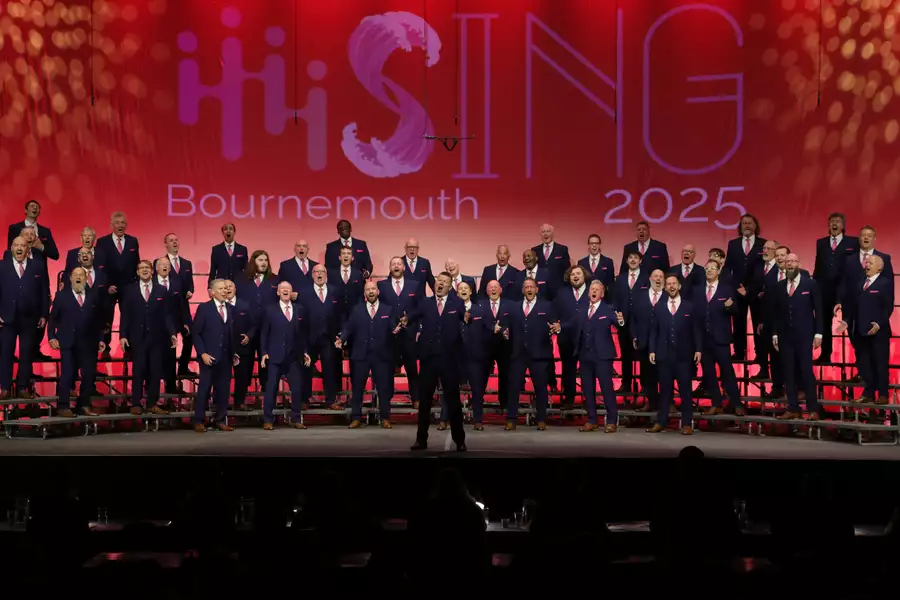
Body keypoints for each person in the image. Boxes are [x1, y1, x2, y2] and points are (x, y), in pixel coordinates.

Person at [410, 272, 467, 451]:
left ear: (450, 287)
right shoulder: (425, 303)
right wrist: (403, 320)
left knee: (454, 402)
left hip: (449, 360)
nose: (440, 284)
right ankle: (421, 439)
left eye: (445, 282)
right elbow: (411, 316)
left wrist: (468, 318)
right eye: (438, 281)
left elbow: (466, 317)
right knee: (425, 402)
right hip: (429, 360)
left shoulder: (456, 303)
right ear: (434, 284)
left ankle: (460, 440)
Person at [336, 281, 401, 427]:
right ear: (364, 293)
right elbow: (349, 328)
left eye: (373, 289)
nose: (370, 291)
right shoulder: (356, 310)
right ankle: (356, 417)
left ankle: (384, 418)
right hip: (360, 355)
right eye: (367, 289)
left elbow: (393, 327)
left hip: (381, 355)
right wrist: (341, 339)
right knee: (357, 388)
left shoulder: (388, 310)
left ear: (378, 291)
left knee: (384, 388)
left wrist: (396, 330)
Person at [119, 260, 177, 415]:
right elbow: (126, 315)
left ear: (152, 271)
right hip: (137, 338)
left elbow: (167, 315)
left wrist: (172, 333)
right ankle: (136, 403)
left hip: (158, 338)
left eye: (147, 268)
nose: (144, 270)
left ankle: (152, 403)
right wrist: (123, 335)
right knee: (138, 370)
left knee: (155, 371)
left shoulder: (161, 290)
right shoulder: (129, 290)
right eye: (141, 268)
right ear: (137, 272)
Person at [647, 276, 702, 435]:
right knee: (664, 391)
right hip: (664, 355)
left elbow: (696, 330)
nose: (671, 286)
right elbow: (654, 331)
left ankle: (686, 423)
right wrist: (652, 350)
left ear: (679, 286)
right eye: (668, 284)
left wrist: (698, 349)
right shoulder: (659, 307)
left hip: (684, 356)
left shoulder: (689, 306)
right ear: (665, 287)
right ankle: (661, 422)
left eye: (674, 284)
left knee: (685, 391)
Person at [771, 254, 823, 420]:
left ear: (798, 263)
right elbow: (775, 313)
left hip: (805, 335)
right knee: (788, 372)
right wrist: (774, 334)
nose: (790, 264)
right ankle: (792, 407)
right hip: (785, 336)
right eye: (787, 262)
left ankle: (813, 408)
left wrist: (819, 333)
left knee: (806, 372)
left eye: (793, 261)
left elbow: (819, 311)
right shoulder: (779, 286)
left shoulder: (810, 283)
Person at [503, 278, 559, 430]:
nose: (529, 289)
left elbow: (555, 323)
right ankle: (511, 419)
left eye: (531, 287)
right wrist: (505, 331)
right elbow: (506, 324)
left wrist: (556, 327)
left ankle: (541, 419)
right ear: (522, 290)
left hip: (539, 354)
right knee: (514, 387)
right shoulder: (514, 307)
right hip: (518, 354)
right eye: (526, 286)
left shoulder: (547, 306)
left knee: (541, 388)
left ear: (536, 289)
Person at [48, 268, 105, 417]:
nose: (78, 277)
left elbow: (98, 320)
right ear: (70, 278)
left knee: (89, 374)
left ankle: (84, 405)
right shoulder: (61, 296)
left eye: (81, 275)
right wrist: (51, 337)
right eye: (75, 275)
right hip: (68, 341)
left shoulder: (94, 296)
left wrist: (101, 339)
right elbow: (53, 318)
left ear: (86, 278)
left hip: (89, 342)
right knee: (67, 374)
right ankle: (63, 406)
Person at [0, 236, 50, 399]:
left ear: (27, 248)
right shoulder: (2, 266)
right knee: (6, 353)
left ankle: (22, 387)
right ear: (11, 248)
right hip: (7, 318)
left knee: (27, 353)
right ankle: (5, 388)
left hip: (30, 317)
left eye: (22, 245)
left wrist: (43, 314)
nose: (19, 248)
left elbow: (44, 291)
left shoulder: (37, 266)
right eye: (16, 245)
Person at [570, 281, 624, 432]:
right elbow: (572, 324)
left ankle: (612, 420)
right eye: (591, 289)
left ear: (602, 294)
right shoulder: (581, 310)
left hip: (603, 355)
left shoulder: (608, 309)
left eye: (597, 290)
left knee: (607, 388)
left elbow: (618, 324)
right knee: (588, 389)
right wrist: (560, 327)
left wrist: (620, 320)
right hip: (585, 355)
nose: (593, 292)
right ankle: (592, 420)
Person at [841, 254, 892, 405]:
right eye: (866, 262)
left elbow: (887, 307)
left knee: (880, 363)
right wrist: (847, 321)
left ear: (879, 267)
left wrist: (878, 323)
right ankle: (868, 392)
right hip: (861, 332)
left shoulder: (885, 283)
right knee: (865, 364)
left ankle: (883, 394)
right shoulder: (860, 284)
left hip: (879, 332)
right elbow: (853, 307)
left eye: (870, 262)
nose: (867, 265)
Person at [260, 282, 311, 430]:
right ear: (278, 292)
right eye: (282, 288)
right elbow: (264, 334)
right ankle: (268, 420)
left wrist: (305, 352)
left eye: (288, 288)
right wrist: (264, 353)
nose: (285, 290)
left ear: (291, 292)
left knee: (296, 389)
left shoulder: (299, 309)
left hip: (294, 356)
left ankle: (296, 419)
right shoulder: (269, 310)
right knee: (271, 389)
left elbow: (303, 335)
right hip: (275, 356)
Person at [695, 260, 744, 415]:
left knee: (727, 372)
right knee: (709, 373)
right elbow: (695, 317)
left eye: (712, 268)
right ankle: (716, 403)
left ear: (718, 271)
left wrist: (730, 306)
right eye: (707, 268)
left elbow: (736, 312)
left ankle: (737, 404)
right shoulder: (697, 290)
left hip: (721, 339)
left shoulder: (726, 289)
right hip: (704, 339)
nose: (709, 271)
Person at [192, 279, 238, 432]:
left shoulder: (231, 309)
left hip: (226, 357)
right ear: (212, 292)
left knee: (223, 390)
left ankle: (220, 420)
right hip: (209, 357)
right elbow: (196, 333)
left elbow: (230, 333)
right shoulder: (204, 308)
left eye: (226, 288)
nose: (225, 290)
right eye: (221, 288)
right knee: (204, 389)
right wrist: (202, 353)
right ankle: (199, 420)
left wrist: (233, 352)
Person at [377, 256, 423, 407]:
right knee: (388, 369)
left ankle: (416, 397)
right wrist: (391, 326)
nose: (396, 266)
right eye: (393, 264)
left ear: (404, 267)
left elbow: (420, 307)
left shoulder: (415, 285)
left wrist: (408, 318)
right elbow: (380, 308)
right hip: (389, 334)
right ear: (390, 268)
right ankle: (387, 399)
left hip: (409, 333)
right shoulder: (381, 285)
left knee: (412, 368)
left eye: (399, 264)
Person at [94, 212, 140, 358]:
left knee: (129, 317)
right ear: (112, 225)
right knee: (106, 317)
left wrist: (136, 286)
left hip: (128, 286)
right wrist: (106, 285)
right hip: (109, 286)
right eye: (118, 223)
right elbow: (99, 265)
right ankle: (105, 347)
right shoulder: (102, 242)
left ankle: (129, 348)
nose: (120, 225)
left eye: (123, 223)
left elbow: (136, 263)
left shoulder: (133, 241)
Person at [723, 214, 766, 360]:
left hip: (756, 291)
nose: (747, 225)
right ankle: (739, 352)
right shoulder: (733, 244)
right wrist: (735, 286)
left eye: (750, 223)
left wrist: (751, 289)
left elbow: (763, 268)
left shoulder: (763, 244)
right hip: (737, 290)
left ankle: (760, 355)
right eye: (744, 223)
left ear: (755, 226)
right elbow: (728, 267)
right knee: (738, 323)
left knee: (758, 323)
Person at [160, 233, 195, 377]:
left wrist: (190, 291)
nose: (174, 242)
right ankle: (168, 374)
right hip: (168, 309)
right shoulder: (160, 262)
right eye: (171, 240)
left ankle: (183, 367)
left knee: (190, 337)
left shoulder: (186, 263)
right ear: (165, 244)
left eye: (176, 240)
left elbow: (190, 284)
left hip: (183, 308)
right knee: (170, 341)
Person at [207, 223, 248, 289]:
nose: (228, 231)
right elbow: (213, 270)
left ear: (234, 232)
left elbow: (246, 269)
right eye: (225, 229)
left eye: (231, 229)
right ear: (222, 233)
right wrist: (209, 287)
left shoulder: (242, 249)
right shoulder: (216, 249)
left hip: (238, 285)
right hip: (221, 286)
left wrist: (247, 285)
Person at [532, 223, 571, 291]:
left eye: (548, 231)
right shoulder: (535, 250)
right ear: (540, 234)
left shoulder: (562, 249)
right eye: (543, 232)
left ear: (552, 233)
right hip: (540, 290)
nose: (545, 234)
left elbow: (567, 270)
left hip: (558, 289)